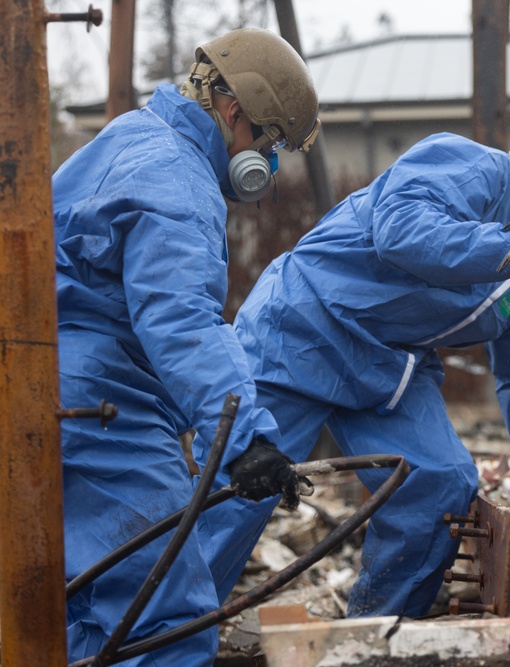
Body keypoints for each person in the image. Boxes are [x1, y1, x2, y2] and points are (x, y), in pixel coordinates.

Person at [229, 106, 510, 618]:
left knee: (438, 484)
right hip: (302, 331)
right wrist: (505, 246)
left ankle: (372, 641)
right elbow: (401, 231)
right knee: (239, 491)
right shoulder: (463, 164)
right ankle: (154, 641)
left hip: (382, 369)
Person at [54, 27, 320, 666]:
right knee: (164, 621)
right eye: (271, 142)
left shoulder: (128, 137)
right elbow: (179, 318)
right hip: (102, 409)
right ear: (234, 113)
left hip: (55, 385)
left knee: (73, 611)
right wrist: (245, 438)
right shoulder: (176, 176)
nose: (270, 164)